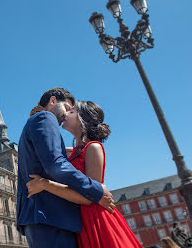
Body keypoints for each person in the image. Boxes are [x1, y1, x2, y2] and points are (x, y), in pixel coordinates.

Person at [27, 100, 142, 247]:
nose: (66, 113)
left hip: (95, 220)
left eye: (72, 111)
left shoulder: (93, 148)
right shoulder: (75, 151)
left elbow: (89, 196)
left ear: (83, 120)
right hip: (80, 221)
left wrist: (45, 184)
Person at [16, 88, 115, 248]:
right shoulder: (45, 117)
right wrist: (97, 190)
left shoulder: (39, 121)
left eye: (72, 112)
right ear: (53, 101)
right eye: (68, 108)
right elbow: (56, 164)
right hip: (51, 216)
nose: (66, 115)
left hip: (44, 216)